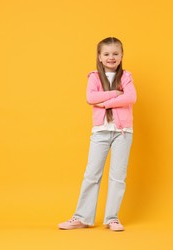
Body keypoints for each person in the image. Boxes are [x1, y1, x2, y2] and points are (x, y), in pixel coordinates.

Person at [58, 37, 136, 232]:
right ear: (100, 57)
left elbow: (131, 97)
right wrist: (116, 94)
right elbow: (91, 98)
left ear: (122, 56)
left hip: (122, 132)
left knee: (118, 176)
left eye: (115, 54)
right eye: (107, 54)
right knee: (92, 175)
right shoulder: (94, 77)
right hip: (100, 131)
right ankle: (82, 217)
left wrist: (106, 102)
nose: (111, 57)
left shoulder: (126, 76)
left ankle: (112, 218)